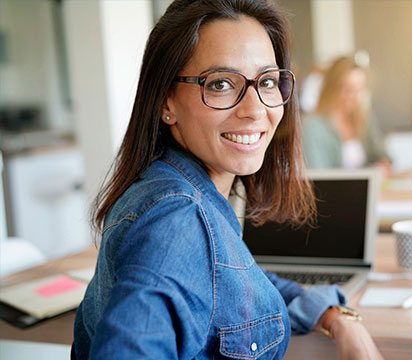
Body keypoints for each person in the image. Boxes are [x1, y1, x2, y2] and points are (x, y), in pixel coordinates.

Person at [72, 1, 384, 359]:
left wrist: (336, 316)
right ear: (165, 102)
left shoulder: (176, 191)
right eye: (220, 83)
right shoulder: (177, 222)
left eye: (267, 81)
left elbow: (234, 281)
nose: (255, 108)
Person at [302, 55, 391, 173]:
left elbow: (382, 155)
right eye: (346, 88)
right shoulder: (312, 126)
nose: (353, 96)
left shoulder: (364, 117)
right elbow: (320, 179)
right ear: (331, 87)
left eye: (358, 89)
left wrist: (383, 164)